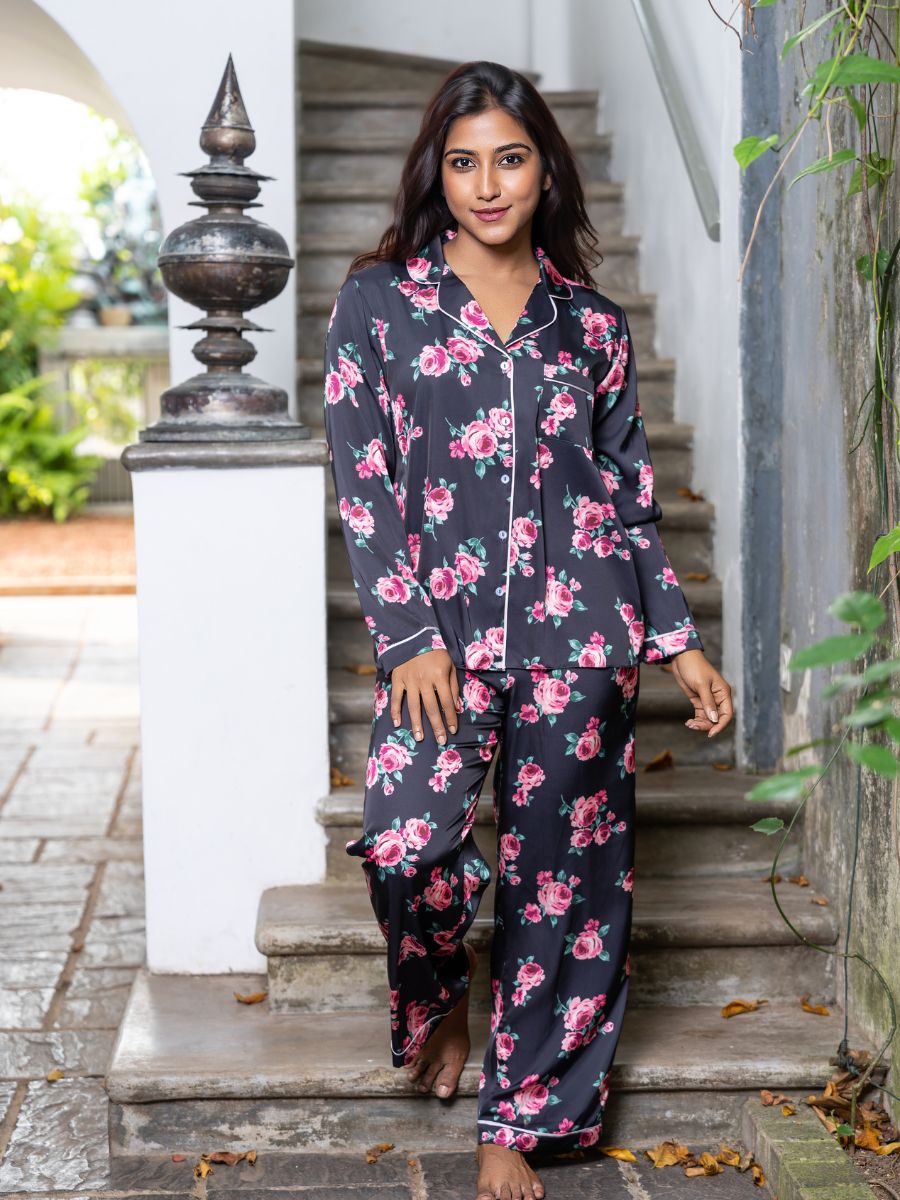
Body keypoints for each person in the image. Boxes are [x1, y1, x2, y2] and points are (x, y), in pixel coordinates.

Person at [323, 58, 733, 1200]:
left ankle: (521, 1115)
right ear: (436, 175)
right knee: (408, 844)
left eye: (509, 158)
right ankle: (438, 995)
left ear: (545, 167)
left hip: (580, 635)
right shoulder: (381, 306)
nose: (487, 184)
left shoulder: (589, 325)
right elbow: (364, 480)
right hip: (438, 639)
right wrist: (407, 633)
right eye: (464, 163)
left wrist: (678, 641)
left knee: (565, 877)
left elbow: (626, 496)